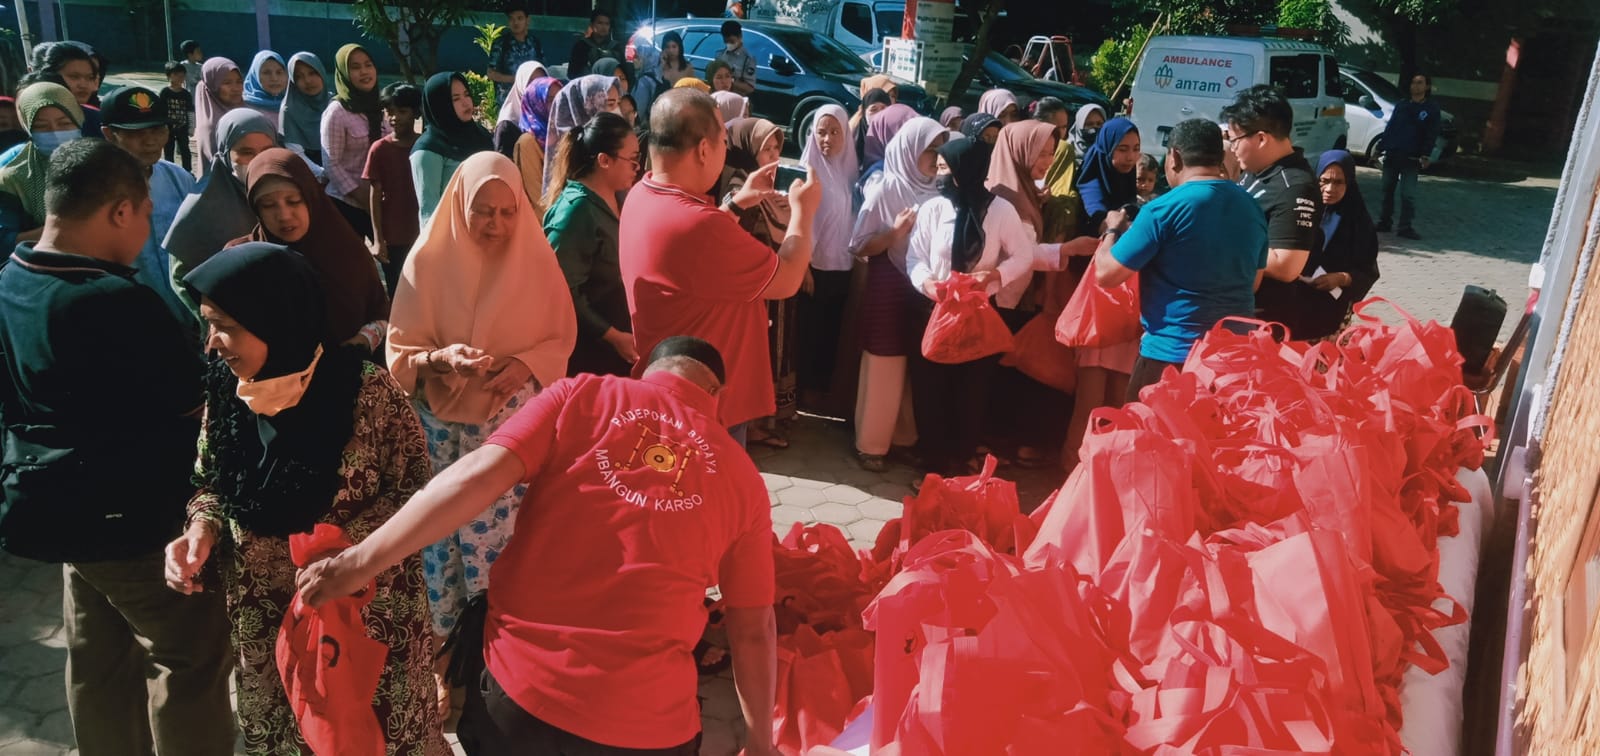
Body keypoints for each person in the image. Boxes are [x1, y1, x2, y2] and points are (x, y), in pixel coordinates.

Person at [294, 336, 779, 756]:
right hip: (646, 724)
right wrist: (760, 742)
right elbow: (753, 627)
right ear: (715, 394)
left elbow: (475, 477)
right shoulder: (744, 480)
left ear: (643, 372)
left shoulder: (582, 394)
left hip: (522, 695)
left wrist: (357, 562)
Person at [166, 242, 448, 755]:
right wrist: (199, 532)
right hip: (267, 625)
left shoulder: (366, 394)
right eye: (209, 324)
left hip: (367, 622)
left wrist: (350, 553)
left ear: (275, 317)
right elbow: (210, 484)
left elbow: (417, 495)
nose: (213, 343)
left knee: (374, 736)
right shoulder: (229, 393)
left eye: (226, 325)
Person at [0, 138, 233, 756]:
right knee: (190, 657)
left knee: (98, 656)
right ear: (120, 211)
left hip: (60, 508)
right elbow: (193, 400)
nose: (149, 232)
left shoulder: (12, 278)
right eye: (148, 215)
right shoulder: (113, 300)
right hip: (137, 521)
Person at [386, 150, 576, 694]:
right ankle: (446, 669)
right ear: (459, 206)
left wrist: (524, 365)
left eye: (507, 211)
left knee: (507, 551)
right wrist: (439, 360)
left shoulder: (538, 261)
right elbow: (399, 350)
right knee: (438, 545)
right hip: (440, 434)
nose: (496, 225)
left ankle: (501, 669)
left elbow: (559, 340)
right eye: (482, 212)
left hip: (509, 438)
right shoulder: (427, 261)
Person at [620, 88, 820, 445]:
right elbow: (787, 278)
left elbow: (694, 254)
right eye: (723, 141)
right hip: (705, 406)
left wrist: (738, 203)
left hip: (673, 390)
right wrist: (804, 213)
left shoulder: (642, 193)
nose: (726, 150)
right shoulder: (696, 224)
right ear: (702, 149)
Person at [1090, 119, 1267, 399]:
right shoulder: (1252, 207)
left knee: (1151, 440)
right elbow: (1254, 282)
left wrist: (1112, 229)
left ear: (1175, 157)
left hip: (1170, 359)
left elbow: (1107, 275)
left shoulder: (1162, 209)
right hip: (1232, 363)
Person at [848, 116, 946, 471]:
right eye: (929, 151)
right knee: (885, 359)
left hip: (923, 284)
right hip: (889, 279)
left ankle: (903, 437)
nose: (936, 160)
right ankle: (871, 443)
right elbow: (857, 245)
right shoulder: (886, 188)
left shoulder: (939, 189)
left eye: (940, 151)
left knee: (913, 361)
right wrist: (893, 234)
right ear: (909, 150)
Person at [235, 148, 390, 351]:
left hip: (347, 374)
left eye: (294, 201)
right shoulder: (242, 261)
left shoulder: (347, 252)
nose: (284, 215)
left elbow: (381, 314)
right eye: (268, 205)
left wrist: (363, 341)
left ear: (311, 198)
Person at [982, 120, 1071, 468]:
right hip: (998, 299)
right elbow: (1019, 254)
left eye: (1051, 154)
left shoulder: (1024, 190)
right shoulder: (1001, 197)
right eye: (1040, 153)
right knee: (992, 376)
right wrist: (1065, 251)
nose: (1047, 161)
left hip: (1014, 299)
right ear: (1019, 152)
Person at [1065, 116, 1143, 469]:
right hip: (1096, 307)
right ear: (1106, 148)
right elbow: (1102, 222)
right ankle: (1074, 468)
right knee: (1090, 400)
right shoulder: (1092, 185)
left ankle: (1101, 470)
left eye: (1136, 150)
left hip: (1123, 308)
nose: (1129, 158)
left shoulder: (1131, 190)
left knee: (1116, 399)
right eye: (1122, 149)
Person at [718, 118, 797, 447]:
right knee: (756, 356)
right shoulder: (739, 187)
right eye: (766, 148)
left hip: (775, 280)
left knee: (774, 351)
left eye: (777, 147)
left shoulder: (769, 185)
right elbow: (738, 239)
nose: (774, 154)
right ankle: (751, 426)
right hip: (753, 286)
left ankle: (763, 422)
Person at [544, 111, 638, 378]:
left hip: (616, 346)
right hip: (588, 353)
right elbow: (561, 290)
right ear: (604, 161)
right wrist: (611, 335)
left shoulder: (616, 198)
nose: (637, 167)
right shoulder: (577, 210)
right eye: (632, 160)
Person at [1222, 85, 1321, 333]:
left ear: (1262, 138)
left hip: (1265, 322)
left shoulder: (1294, 187)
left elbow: (1287, 266)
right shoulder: (1257, 172)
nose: (1232, 148)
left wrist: (1219, 241)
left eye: (1235, 140)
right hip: (1238, 308)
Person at [1254, 149, 1381, 341]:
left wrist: (1341, 278)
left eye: (1339, 182)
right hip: (1289, 307)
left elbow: (1368, 270)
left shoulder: (1359, 223)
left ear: (1350, 183)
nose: (1330, 189)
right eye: (1324, 181)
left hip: (1329, 312)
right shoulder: (1297, 211)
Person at [101, 85, 197, 335]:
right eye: (137, 132)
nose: (151, 140)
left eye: (158, 129)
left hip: (188, 317)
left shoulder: (179, 178)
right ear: (110, 134)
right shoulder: (95, 189)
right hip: (132, 324)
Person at [164, 109, 282, 309]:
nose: (258, 160)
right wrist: (213, 320)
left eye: (266, 151)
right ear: (226, 153)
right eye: (246, 152)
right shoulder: (201, 206)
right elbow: (181, 276)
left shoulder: (283, 190)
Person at [797, 104, 857, 410]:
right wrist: (804, 267)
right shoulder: (808, 173)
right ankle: (804, 390)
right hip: (814, 266)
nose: (827, 140)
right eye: (821, 132)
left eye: (835, 132)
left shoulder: (849, 173)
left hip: (842, 265)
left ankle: (822, 389)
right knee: (810, 332)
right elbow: (803, 222)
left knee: (831, 332)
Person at [0, 83, 83, 247]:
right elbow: (3, 242)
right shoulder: (12, 178)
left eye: (64, 123)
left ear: (79, 119)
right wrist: (55, 230)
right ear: (28, 129)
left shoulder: (104, 164)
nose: (55, 132)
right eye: (41, 126)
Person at [322, 43, 391, 239]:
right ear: (343, 72)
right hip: (346, 204)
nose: (364, 72)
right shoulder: (337, 111)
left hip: (379, 202)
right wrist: (361, 196)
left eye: (368, 65)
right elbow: (331, 163)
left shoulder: (381, 105)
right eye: (355, 67)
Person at [412, 72, 495, 226]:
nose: (466, 103)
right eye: (455, 99)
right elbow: (429, 211)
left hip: (487, 230)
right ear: (440, 105)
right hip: (453, 235)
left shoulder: (481, 135)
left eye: (466, 95)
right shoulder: (428, 149)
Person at [365, 82, 422, 294]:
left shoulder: (423, 146)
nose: (394, 117)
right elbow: (375, 194)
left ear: (415, 113)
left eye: (402, 111)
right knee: (398, 290)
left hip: (420, 232)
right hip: (394, 236)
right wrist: (378, 239)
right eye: (389, 111)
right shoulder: (379, 150)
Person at [1377, 73, 1441, 239]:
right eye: (1413, 82)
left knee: (1408, 195)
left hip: (1412, 157)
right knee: (1386, 190)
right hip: (1393, 155)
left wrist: (1426, 154)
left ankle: (1405, 227)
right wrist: (1380, 148)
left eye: (1420, 83)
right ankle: (1384, 222)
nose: (1416, 86)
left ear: (1427, 87)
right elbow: (1391, 128)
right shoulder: (1402, 105)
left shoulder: (1431, 109)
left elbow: (1431, 133)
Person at [543, 74, 619, 193]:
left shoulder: (614, 142)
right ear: (588, 106)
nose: (617, 111)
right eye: (610, 104)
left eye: (618, 103)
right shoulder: (574, 157)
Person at [22, 42, 105, 138]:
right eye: (74, 77)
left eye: (90, 77)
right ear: (49, 76)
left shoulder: (96, 119)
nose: (83, 85)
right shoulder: (17, 115)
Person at [513, 76, 561, 207]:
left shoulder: (563, 135)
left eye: (560, 98)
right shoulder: (528, 143)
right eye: (550, 100)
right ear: (536, 103)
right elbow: (536, 196)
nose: (558, 104)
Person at [280, 51, 333, 164]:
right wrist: (321, 173)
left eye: (312, 73)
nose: (308, 81)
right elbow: (294, 152)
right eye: (299, 77)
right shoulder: (289, 109)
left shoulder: (333, 103)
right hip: (305, 169)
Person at [194, 57, 243, 173]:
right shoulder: (214, 125)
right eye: (227, 83)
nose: (235, 88)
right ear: (212, 86)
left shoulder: (246, 109)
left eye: (239, 82)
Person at [489, 3, 545, 102]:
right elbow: (491, 73)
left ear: (527, 20)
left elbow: (543, 71)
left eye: (519, 18)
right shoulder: (501, 44)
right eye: (511, 19)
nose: (515, 22)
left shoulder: (535, 43)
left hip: (531, 99)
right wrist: (516, 79)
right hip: (507, 101)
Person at [493, 61, 548, 157]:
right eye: (530, 83)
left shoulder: (549, 116)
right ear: (521, 85)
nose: (536, 87)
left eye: (542, 81)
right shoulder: (507, 126)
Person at [568, 8, 624, 77]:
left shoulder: (617, 47)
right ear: (592, 25)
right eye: (600, 23)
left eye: (607, 24)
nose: (604, 27)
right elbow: (572, 73)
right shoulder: (581, 46)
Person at [240, 50, 289, 129]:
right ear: (255, 75)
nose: (274, 78)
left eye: (279, 72)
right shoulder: (243, 108)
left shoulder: (292, 105)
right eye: (266, 73)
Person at [160, 61, 194, 170]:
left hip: (182, 127)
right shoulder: (164, 92)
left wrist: (191, 127)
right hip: (168, 128)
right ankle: (170, 170)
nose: (180, 77)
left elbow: (190, 111)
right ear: (169, 76)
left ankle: (187, 171)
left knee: (185, 150)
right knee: (168, 150)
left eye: (182, 75)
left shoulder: (186, 94)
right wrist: (161, 126)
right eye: (176, 75)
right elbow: (160, 110)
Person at [714, 20, 757, 96]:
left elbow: (749, 88)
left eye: (731, 41)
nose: (729, 44)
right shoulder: (720, 55)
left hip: (736, 99)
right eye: (726, 41)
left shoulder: (748, 59)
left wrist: (730, 81)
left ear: (740, 37)